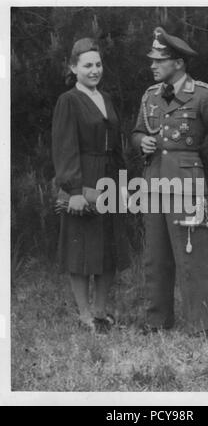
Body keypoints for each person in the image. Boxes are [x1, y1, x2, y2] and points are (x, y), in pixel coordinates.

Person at [131, 27, 208, 336]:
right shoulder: (150, 95)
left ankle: (199, 325)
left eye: (159, 60)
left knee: (192, 256)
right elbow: (137, 131)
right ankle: (157, 321)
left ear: (177, 63)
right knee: (155, 256)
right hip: (152, 185)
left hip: (187, 185)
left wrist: (197, 167)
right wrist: (141, 143)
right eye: (152, 60)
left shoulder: (203, 95)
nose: (152, 65)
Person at [52, 37, 129, 332]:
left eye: (98, 64)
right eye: (87, 65)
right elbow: (64, 146)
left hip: (109, 177)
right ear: (74, 67)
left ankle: (100, 310)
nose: (94, 70)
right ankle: (84, 314)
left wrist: (122, 182)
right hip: (84, 178)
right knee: (81, 248)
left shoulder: (106, 99)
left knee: (107, 246)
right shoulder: (68, 100)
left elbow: (117, 145)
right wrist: (73, 190)